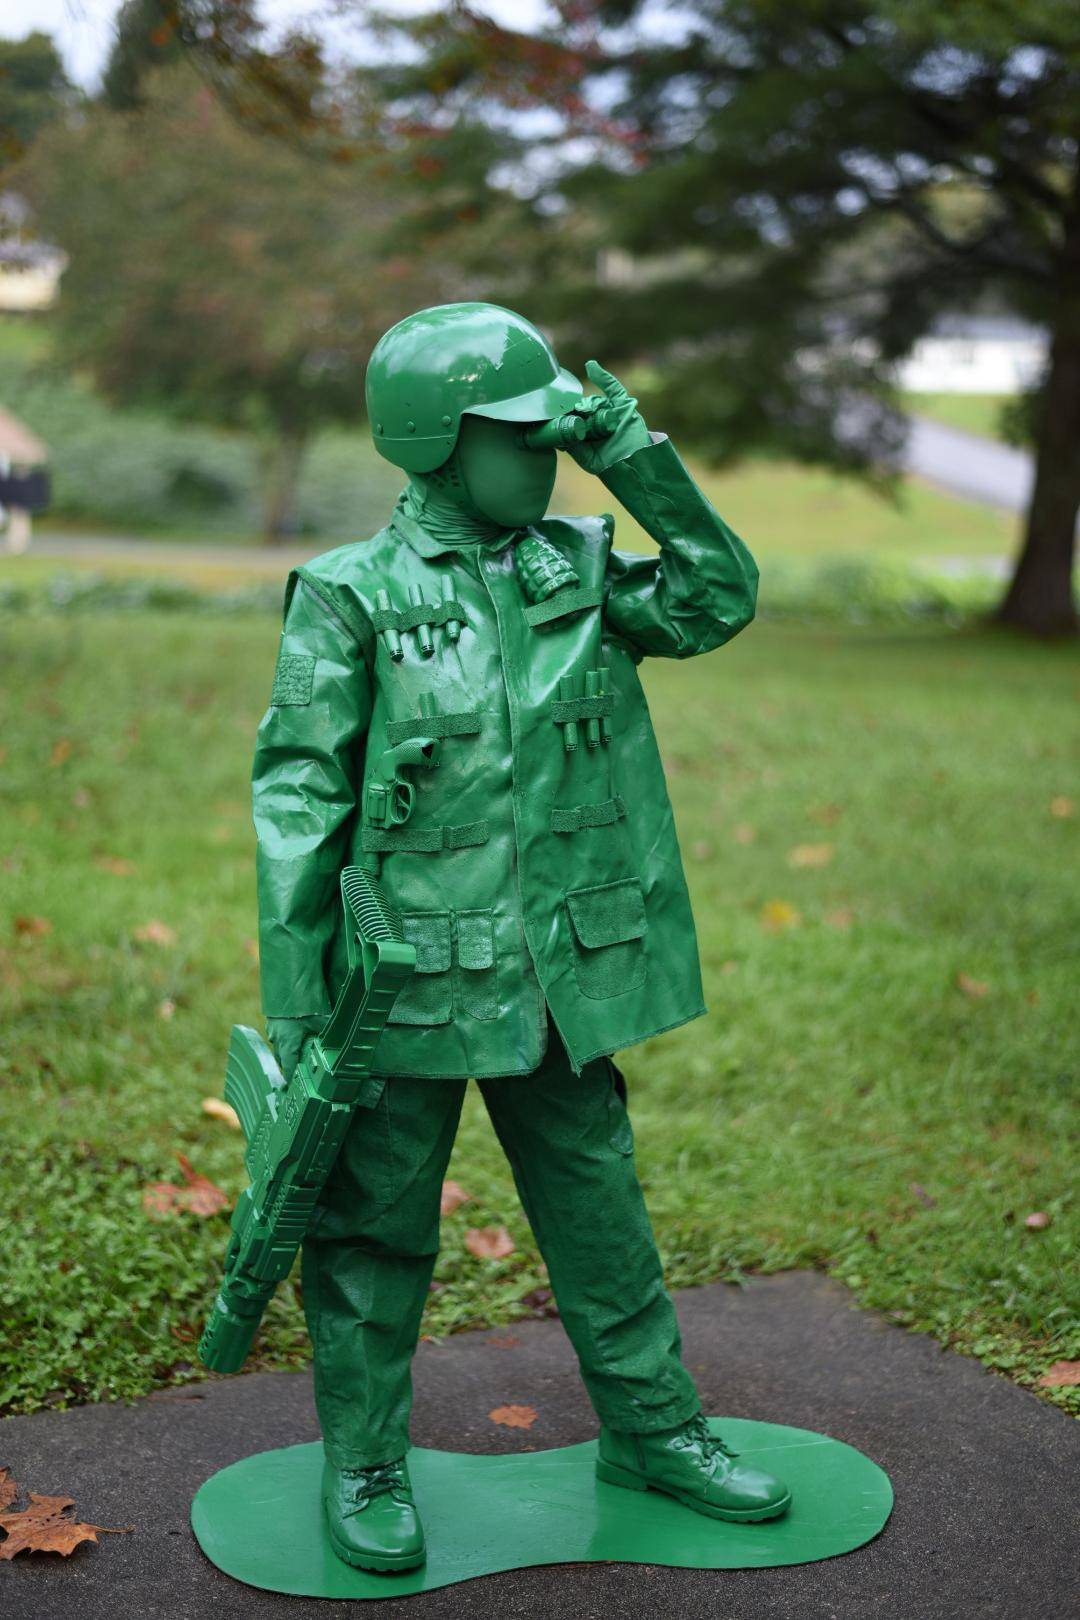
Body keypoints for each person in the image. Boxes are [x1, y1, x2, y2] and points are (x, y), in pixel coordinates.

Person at [253, 302, 790, 1574]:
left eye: (555, 442)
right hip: (403, 982)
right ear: (436, 439)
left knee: (600, 1209)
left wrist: (637, 463)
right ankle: (366, 1460)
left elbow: (717, 597)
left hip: (560, 975)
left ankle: (655, 1429)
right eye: (522, 437)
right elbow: (297, 798)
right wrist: (294, 1006)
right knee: (374, 1227)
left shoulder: (581, 568)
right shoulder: (350, 595)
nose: (545, 460)